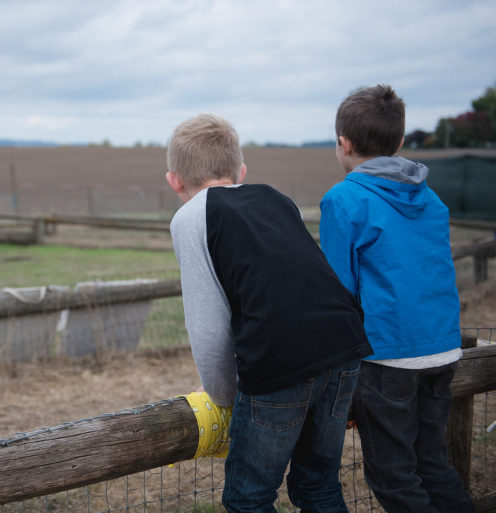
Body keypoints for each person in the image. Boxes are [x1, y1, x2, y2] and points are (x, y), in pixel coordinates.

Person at [166, 113, 372, 513]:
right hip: (345, 346)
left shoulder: (190, 218)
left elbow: (207, 325)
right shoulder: (275, 199)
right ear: (240, 171)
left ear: (174, 180)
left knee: (248, 498)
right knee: (318, 485)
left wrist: (224, 396)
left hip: (282, 359)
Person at [319, 84, 476, 513]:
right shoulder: (432, 198)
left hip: (388, 355)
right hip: (442, 346)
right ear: (400, 142)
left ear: (343, 143)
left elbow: (339, 290)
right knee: (432, 463)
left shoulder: (344, 199)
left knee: (393, 476)